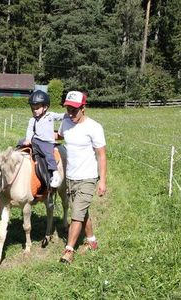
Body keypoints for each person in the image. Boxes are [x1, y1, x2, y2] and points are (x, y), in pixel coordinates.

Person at [57, 91, 107, 264]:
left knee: (76, 215)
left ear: (84, 108)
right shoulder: (66, 122)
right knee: (81, 211)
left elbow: (101, 155)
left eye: (74, 110)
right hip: (70, 178)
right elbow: (60, 136)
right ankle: (92, 241)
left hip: (87, 177)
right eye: (68, 109)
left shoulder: (94, 127)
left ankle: (68, 251)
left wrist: (102, 181)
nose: (70, 113)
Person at [23, 90, 65, 188]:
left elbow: (60, 116)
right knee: (21, 143)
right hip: (36, 140)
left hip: (47, 142)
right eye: (32, 109)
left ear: (45, 107)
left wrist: (69, 115)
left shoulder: (50, 115)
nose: (34, 111)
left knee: (49, 155)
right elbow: (30, 130)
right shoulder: (32, 120)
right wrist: (28, 139)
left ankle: (55, 174)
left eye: (37, 108)